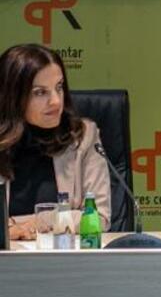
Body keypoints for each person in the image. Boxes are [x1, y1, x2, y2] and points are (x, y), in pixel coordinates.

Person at [1, 43, 111, 240]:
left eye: (59, 87)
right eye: (40, 92)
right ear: (13, 96)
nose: (56, 101)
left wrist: (33, 223)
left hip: (64, 256)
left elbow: (98, 217)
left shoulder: (83, 136)